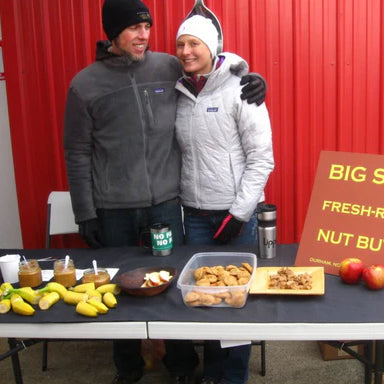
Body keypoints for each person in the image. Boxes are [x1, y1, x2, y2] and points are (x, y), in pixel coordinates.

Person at [63, 0, 267, 383]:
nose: (144, 36)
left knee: (173, 288)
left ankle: (183, 365)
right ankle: (128, 368)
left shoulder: (167, 66)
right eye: (133, 29)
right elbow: (76, 152)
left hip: (167, 206)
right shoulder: (85, 84)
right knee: (118, 289)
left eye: (147, 28)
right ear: (112, 33)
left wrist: (251, 76)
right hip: (115, 208)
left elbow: (216, 61)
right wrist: (84, 211)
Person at [174, 16, 274, 384]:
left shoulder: (241, 89)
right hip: (195, 214)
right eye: (180, 45)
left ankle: (233, 377)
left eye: (194, 44)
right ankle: (212, 372)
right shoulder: (180, 90)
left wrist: (239, 213)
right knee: (204, 298)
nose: (186, 52)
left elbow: (262, 158)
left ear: (212, 47)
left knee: (234, 302)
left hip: (235, 215)